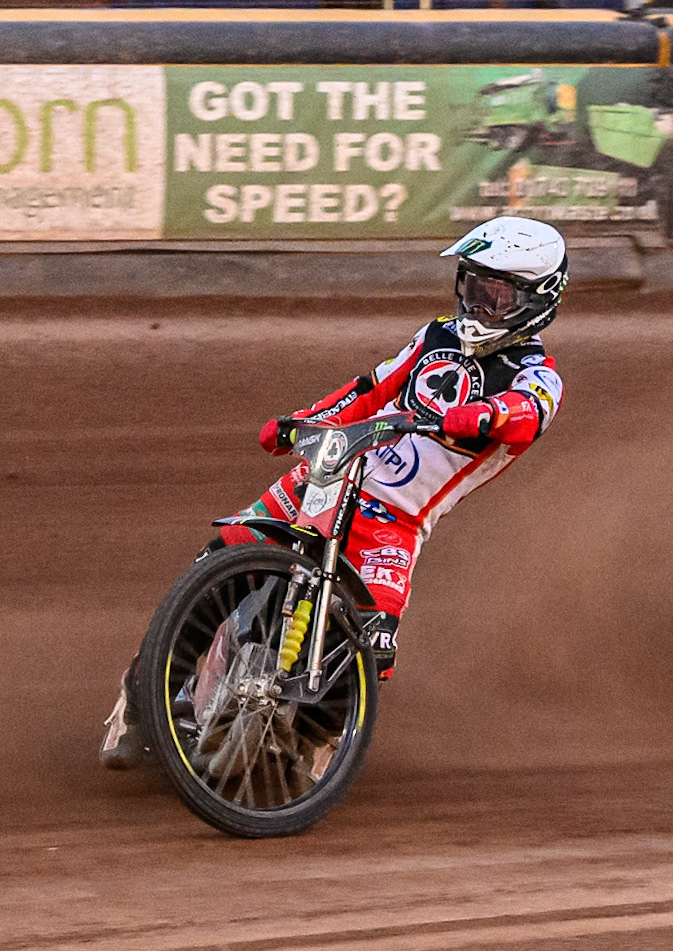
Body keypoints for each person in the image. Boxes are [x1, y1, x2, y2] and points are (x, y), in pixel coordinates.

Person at [101, 217, 569, 769]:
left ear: (537, 298)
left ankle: (303, 750)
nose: (479, 305)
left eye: (497, 294)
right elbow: (369, 390)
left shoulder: (536, 375)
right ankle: (139, 704)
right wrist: (302, 422)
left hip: (393, 523)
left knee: (368, 646)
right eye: (472, 286)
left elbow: (528, 413)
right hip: (331, 473)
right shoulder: (436, 336)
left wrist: (483, 415)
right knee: (220, 562)